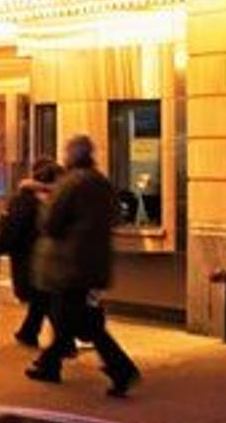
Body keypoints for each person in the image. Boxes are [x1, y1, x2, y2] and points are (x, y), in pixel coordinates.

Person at [25, 134, 140, 397]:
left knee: (81, 322)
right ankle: (50, 364)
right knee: (70, 317)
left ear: (72, 156)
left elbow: (50, 224)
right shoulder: (101, 183)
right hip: (94, 263)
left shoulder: (71, 184)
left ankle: (120, 367)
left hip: (68, 265)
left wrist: (43, 203)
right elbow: (115, 217)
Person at [0, 158, 69, 349]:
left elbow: (10, 228)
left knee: (43, 298)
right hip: (33, 259)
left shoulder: (36, 200)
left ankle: (31, 333)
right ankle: (59, 341)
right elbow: (13, 229)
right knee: (44, 297)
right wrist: (0, 243)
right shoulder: (29, 201)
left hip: (39, 259)